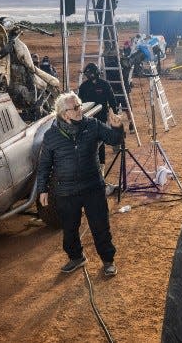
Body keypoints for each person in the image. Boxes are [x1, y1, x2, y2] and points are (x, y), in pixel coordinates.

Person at [37, 92, 124, 276]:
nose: (80, 110)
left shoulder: (92, 125)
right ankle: (76, 257)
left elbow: (114, 139)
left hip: (93, 187)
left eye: (80, 105)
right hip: (66, 191)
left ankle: (108, 260)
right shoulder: (51, 136)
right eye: (75, 108)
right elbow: (44, 164)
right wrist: (42, 189)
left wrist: (117, 128)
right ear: (64, 114)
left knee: (100, 226)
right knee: (69, 228)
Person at [78, 63, 118, 166]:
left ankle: (101, 165)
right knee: (87, 141)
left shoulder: (104, 84)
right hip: (87, 118)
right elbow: (79, 102)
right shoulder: (84, 86)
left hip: (101, 117)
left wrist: (115, 112)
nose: (87, 76)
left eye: (89, 73)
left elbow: (112, 100)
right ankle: (89, 164)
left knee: (100, 141)